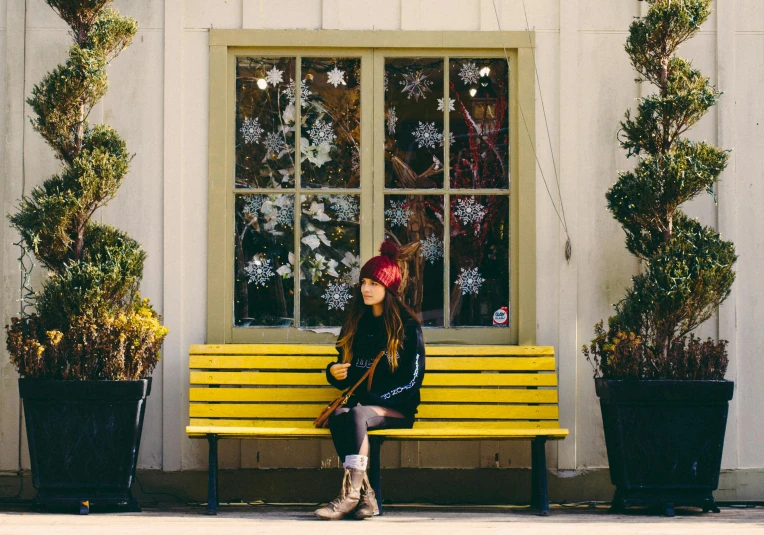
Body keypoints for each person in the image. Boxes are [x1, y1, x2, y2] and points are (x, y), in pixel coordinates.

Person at [314, 240, 425, 520]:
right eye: (363, 282)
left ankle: (349, 495)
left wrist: (375, 401)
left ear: (388, 288)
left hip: (397, 408)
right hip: (360, 408)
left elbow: (413, 380)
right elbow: (347, 374)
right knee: (341, 415)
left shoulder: (407, 327)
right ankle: (367, 497)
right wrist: (333, 372)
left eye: (374, 283)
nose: (366, 288)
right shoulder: (355, 323)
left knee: (357, 414)